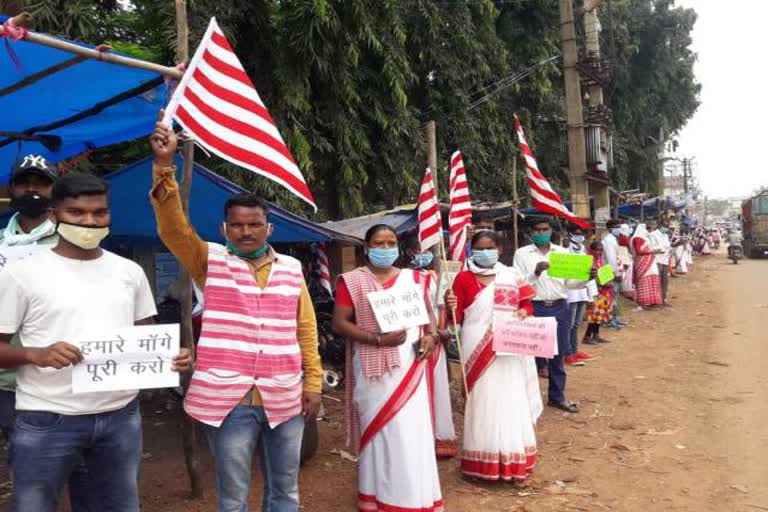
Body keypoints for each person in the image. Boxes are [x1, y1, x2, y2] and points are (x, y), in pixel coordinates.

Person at [149, 120, 322, 512]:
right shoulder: (209, 260)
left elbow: (305, 331)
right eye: (238, 226)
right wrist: (164, 165)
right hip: (229, 402)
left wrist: (312, 383)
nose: (246, 232)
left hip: (285, 398)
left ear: (269, 227)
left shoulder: (292, 269)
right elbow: (174, 230)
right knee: (232, 498)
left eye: (255, 225)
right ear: (225, 228)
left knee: (286, 492)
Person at [0, 174, 192, 512]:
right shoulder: (20, 274)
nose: (89, 221)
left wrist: (170, 358)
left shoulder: (129, 272)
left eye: (99, 213)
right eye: (77, 213)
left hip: (121, 417)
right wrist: (35, 354)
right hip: (47, 418)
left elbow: (145, 336)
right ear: (55, 214)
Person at [332, 224, 443, 512]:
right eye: (378, 244)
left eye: (390, 242)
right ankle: (376, 496)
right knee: (381, 431)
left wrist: (430, 337)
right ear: (366, 248)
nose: (385, 249)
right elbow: (340, 323)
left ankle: (413, 495)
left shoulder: (417, 280)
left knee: (410, 430)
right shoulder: (353, 281)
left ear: (399, 246)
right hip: (372, 370)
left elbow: (430, 320)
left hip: (411, 364)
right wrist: (378, 339)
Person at [445, 230, 542, 481]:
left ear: (499, 249)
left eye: (490, 247)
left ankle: (512, 460)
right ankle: (482, 463)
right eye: (480, 247)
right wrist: (450, 306)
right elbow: (455, 321)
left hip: (509, 344)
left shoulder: (511, 275)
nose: (485, 252)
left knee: (510, 396)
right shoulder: (462, 279)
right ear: (471, 250)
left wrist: (522, 313)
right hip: (475, 342)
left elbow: (527, 304)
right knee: (482, 400)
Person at [513, 217, 591, 413]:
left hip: (559, 306)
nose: (541, 233)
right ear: (531, 232)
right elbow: (518, 284)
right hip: (533, 307)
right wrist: (536, 273)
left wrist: (586, 278)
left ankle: (557, 397)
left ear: (551, 231)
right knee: (529, 354)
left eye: (544, 229)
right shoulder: (521, 254)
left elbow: (570, 283)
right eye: (537, 230)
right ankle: (526, 401)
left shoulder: (562, 252)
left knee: (558, 354)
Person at [407, 246, 457, 458]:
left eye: (426, 250)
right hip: (413, 343)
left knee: (437, 387)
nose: (422, 254)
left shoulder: (442, 278)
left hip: (438, 341)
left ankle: (439, 438)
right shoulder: (405, 279)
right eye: (417, 249)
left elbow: (449, 311)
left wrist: (446, 328)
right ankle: (416, 439)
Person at [564, 227, 593, 366]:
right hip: (570, 292)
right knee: (569, 325)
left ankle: (574, 351)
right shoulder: (564, 248)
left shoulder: (583, 249)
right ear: (570, 234)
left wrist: (591, 295)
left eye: (581, 234)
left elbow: (588, 270)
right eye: (576, 233)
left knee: (576, 324)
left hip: (582, 291)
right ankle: (567, 353)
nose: (579, 236)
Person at [583, 241, 614, 345]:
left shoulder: (602, 261)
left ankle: (596, 335)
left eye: (601, 250)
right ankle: (587, 336)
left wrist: (609, 282)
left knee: (599, 316)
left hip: (604, 292)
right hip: (595, 292)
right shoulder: (588, 262)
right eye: (597, 249)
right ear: (591, 250)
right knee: (594, 316)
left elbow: (607, 275)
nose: (599, 252)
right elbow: (589, 279)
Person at [631, 223, 663, 309]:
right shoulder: (637, 238)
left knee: (653, 277)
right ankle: (644, 301)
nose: (648, 231)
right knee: (644, 279)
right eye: (647, 229)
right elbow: (638, 251)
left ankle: (653, 300)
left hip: (649, 261)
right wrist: (652, 252)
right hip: (643, 261)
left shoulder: (644, 238)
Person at [649, 220, 672, 306]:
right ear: (660, 226)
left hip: (665, 260)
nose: (666, 228)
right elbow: (651, 247)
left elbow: (668, 245)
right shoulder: (653, 235)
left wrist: (669, 249)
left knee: (665, 281)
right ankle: (655, 299)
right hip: (657, 260)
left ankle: (663, 299)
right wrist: (661, 248)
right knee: (657, 280)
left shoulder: (666, 235)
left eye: (667, 227)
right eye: (664, 226)